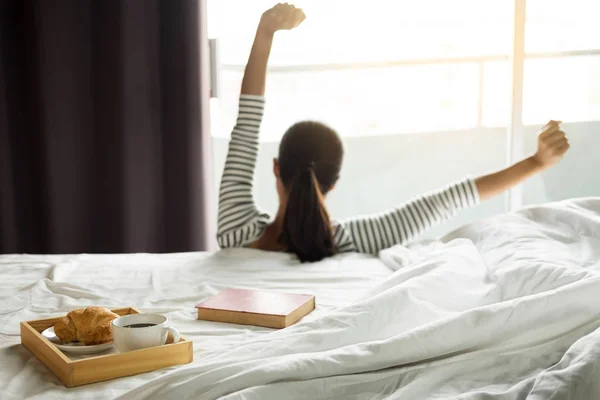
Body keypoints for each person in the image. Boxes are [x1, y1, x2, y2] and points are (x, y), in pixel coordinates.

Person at [217, 3, 570, 262]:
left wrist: (266, 31)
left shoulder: (236, 229)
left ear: (277, 168)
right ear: (334, 182)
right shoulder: (361, 240)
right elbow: (453, 198)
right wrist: (538, 161)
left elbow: (246, 122)